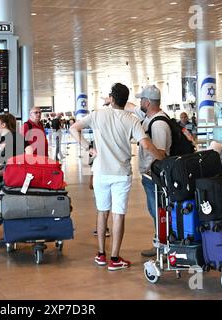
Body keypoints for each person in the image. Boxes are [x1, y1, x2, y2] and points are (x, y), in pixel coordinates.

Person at [70, 83, 164, 271]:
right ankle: (114, 258)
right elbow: (146, 145)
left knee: (102, 211)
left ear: (111, 99)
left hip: (101, 173)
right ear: (125, 100)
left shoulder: (97, 114)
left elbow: (74, 128)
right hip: (121, 174)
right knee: (118, 215)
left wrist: (88, 148)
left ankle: (101, 255)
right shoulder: (132, 120)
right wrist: (162, 156)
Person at [124, 85, 171, 257]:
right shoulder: (150, 118)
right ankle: (160, 241)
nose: (139, 102)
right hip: (150, 177)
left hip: (155, 177)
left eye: (141, 99)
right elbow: (131, 108)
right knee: (156, 211)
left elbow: (160, 153)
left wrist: (152, 172)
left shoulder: (158, 123)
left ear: (148, 102)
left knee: (159, 211)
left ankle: (163, 244)